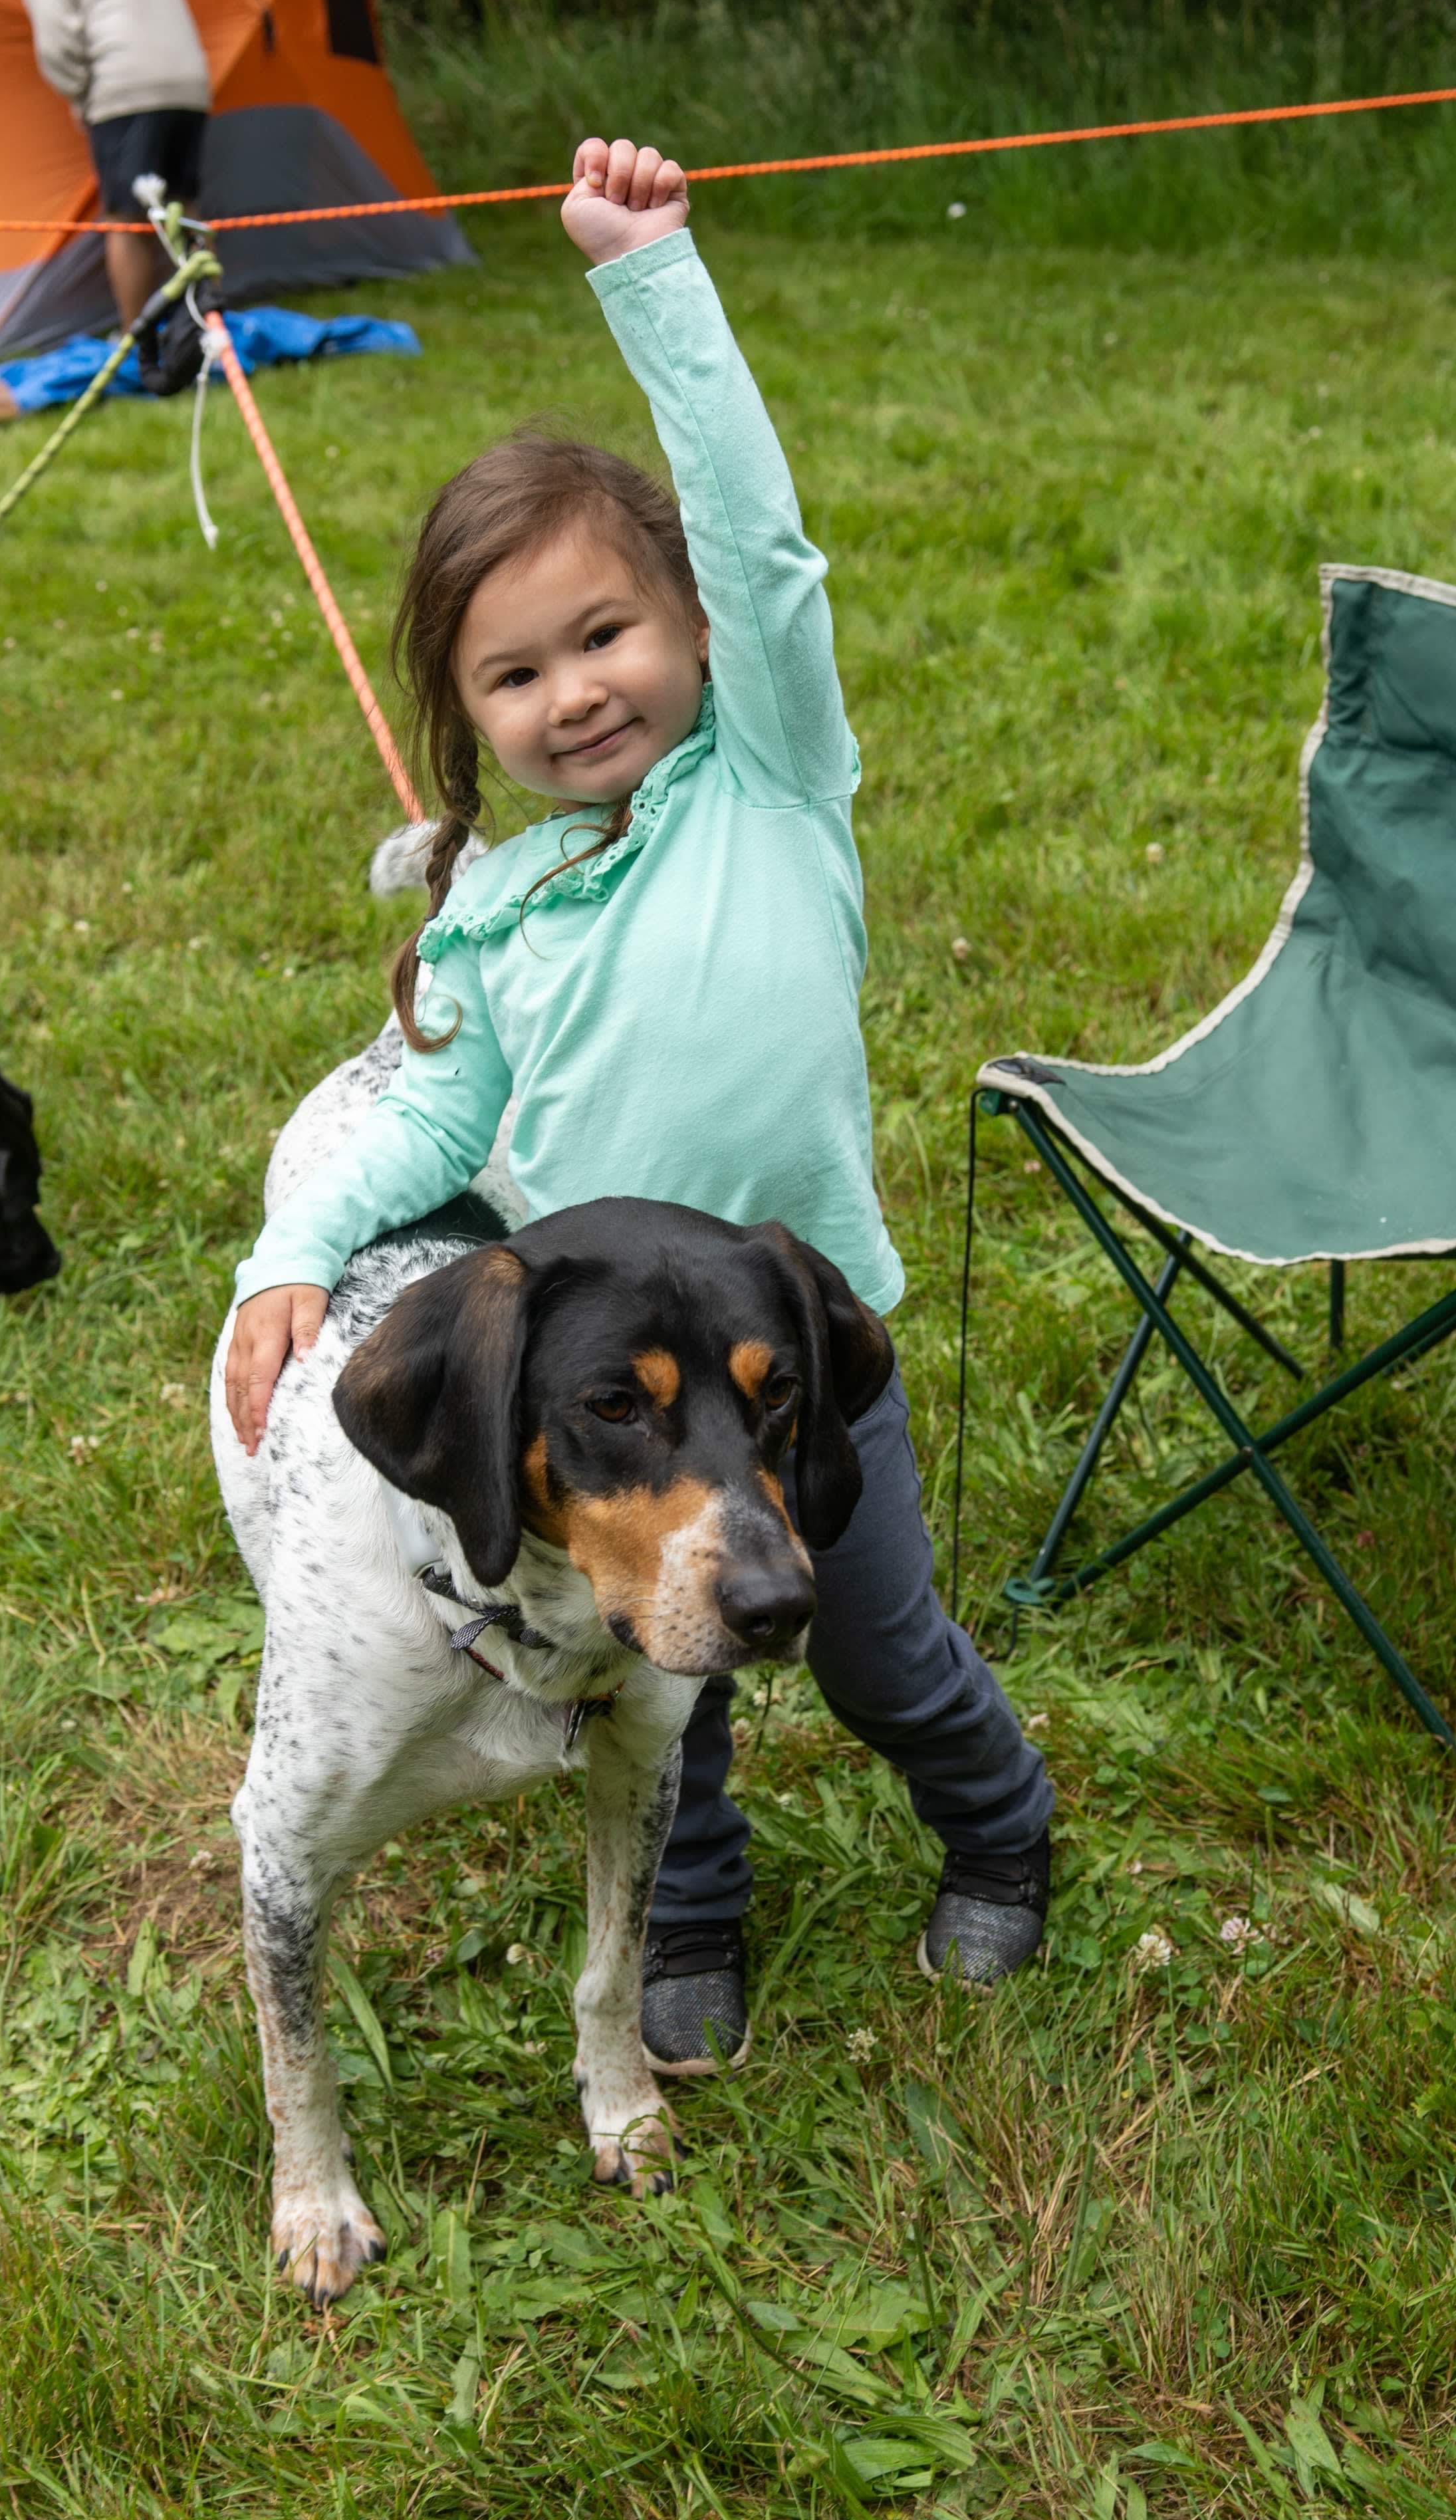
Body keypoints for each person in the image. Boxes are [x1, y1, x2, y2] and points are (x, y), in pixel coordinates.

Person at [225, 136, 1054, 2070]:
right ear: (468, 717)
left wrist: (648, 278)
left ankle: (998, 1825)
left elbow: (762, 540)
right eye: (515, 674)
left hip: (791, 1364)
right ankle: (689, 1908)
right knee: (654, 1670)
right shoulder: (497, 913)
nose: (575, 693)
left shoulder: (773, 782)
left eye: (606, 635)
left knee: (871, 1646)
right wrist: (290, 1250)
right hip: (614, 1384)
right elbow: (428, 1136)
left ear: (688, 624)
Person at [17, 0, 210, 330]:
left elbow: (56, 37)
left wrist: (79, 96)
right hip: (190, 84)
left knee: (127, 221)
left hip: (125, 88)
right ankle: (207, 329)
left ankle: (136, 339)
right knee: (186, 208)